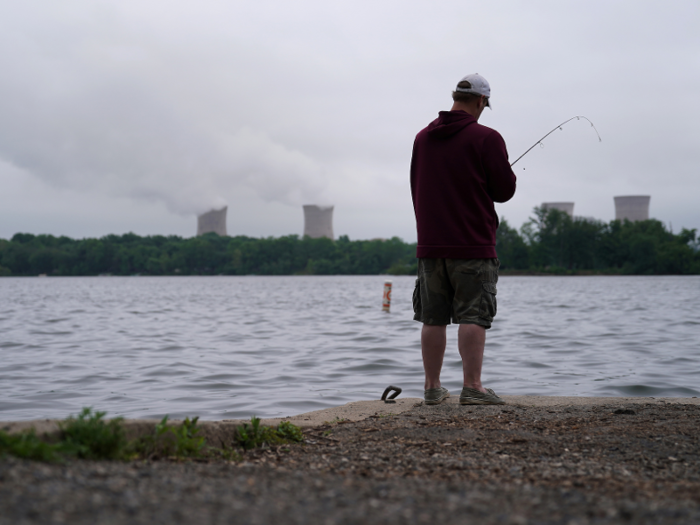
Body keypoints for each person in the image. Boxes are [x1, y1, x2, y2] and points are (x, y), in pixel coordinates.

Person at [410, 73, 517, 406]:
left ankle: (432, 388)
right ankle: (472, 387)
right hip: (472, 244)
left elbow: (416, 184)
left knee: (433, 317)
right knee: (473, 315)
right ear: (482, 101)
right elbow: (505, 191)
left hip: (431, 245)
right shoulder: (487, 138)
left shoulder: (422, 138)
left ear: (454, 96)